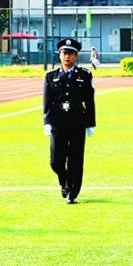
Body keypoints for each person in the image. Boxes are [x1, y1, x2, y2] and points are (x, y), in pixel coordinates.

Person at [43, 38, 96, 204]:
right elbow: (47, 101)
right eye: (64, 53)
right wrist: (47, 122)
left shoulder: (84, 75)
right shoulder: (51, 76)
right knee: (55, 161)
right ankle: (64, 181)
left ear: (76, 56)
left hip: (77, 122)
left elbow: (89, 100)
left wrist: (91, 123)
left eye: (71, 53)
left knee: (75, 159)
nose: (67, 57)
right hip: (58, 123)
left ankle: (72, 192)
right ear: (59, 55)